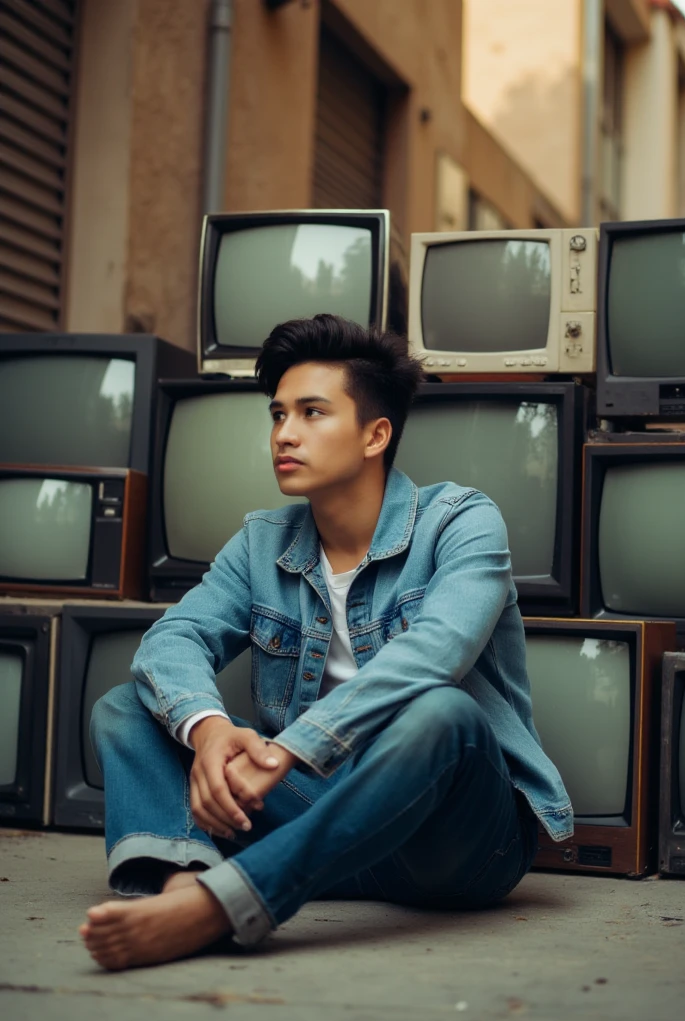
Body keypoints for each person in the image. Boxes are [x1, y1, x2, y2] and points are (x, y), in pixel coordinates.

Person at [80, 314, 572, 970]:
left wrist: (289, 750)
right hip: (318, 823)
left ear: (376, 434)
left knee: (443, 713)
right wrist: (207, 731)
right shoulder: (261, 542)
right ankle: (182, 893)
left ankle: (231, 901)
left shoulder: (462, 522)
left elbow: (435, 652)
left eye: (312, 412)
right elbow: (174, 638)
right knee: (126, 706)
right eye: (278, 414)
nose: (285, 433)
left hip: (451, 850)